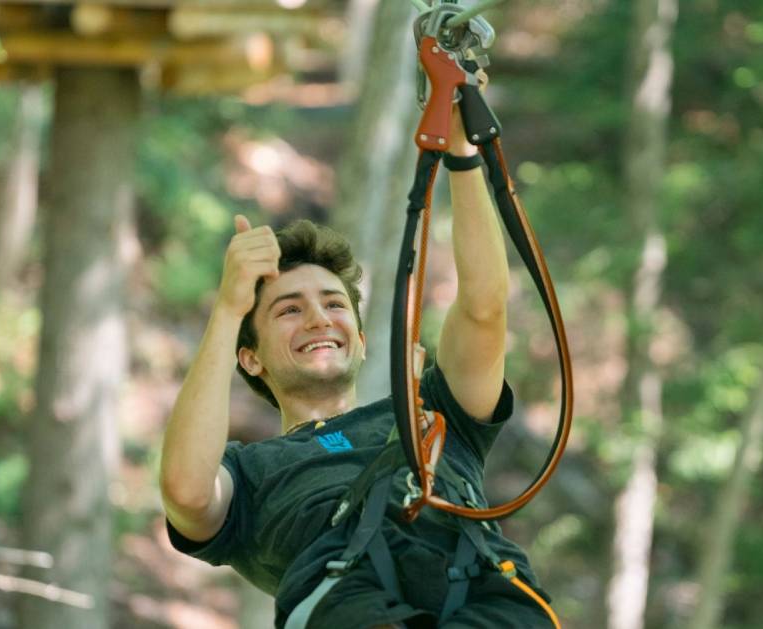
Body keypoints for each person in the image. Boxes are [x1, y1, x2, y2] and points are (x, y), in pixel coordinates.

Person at [159, 99, 554, 628]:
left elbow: (483, 308)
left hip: (478, 590)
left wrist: (462, 152)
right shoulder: (247, 478)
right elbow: (186, 490)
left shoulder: (436, 415)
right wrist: (230, 307)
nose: (319, 319)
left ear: (362, 340)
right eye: (289, 309)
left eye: (334, 304)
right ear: (250, 359)